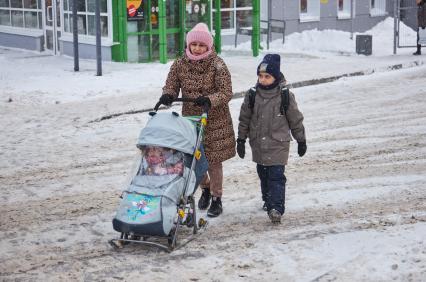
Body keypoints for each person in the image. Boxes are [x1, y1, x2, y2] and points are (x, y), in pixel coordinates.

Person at [158, 23, 235, 217]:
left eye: (202, 45)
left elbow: (226, 92)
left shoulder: (218, 64)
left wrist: (210, 99)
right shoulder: (180, 64)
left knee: (214, 161)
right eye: (194, 44)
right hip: (191, 119)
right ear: (189, 44)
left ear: (208, 46)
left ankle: (217, 198)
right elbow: (171, 84)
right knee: (193, 159)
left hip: (215, 119)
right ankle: (206, 188)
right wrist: (168, 95)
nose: (197, 48)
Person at [236, 54, 307, 224]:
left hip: (278, 143)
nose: (263, 79)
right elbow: (244, 119)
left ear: (275, 77)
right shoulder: (252, 95)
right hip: (258, 143)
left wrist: (301, 140)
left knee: (276, 175)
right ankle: (268, 200)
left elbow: (295, 119)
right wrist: (240, 140)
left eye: (267, 76)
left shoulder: (285, 96)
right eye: (260, 76)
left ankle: (276, 208)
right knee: (263, 174)